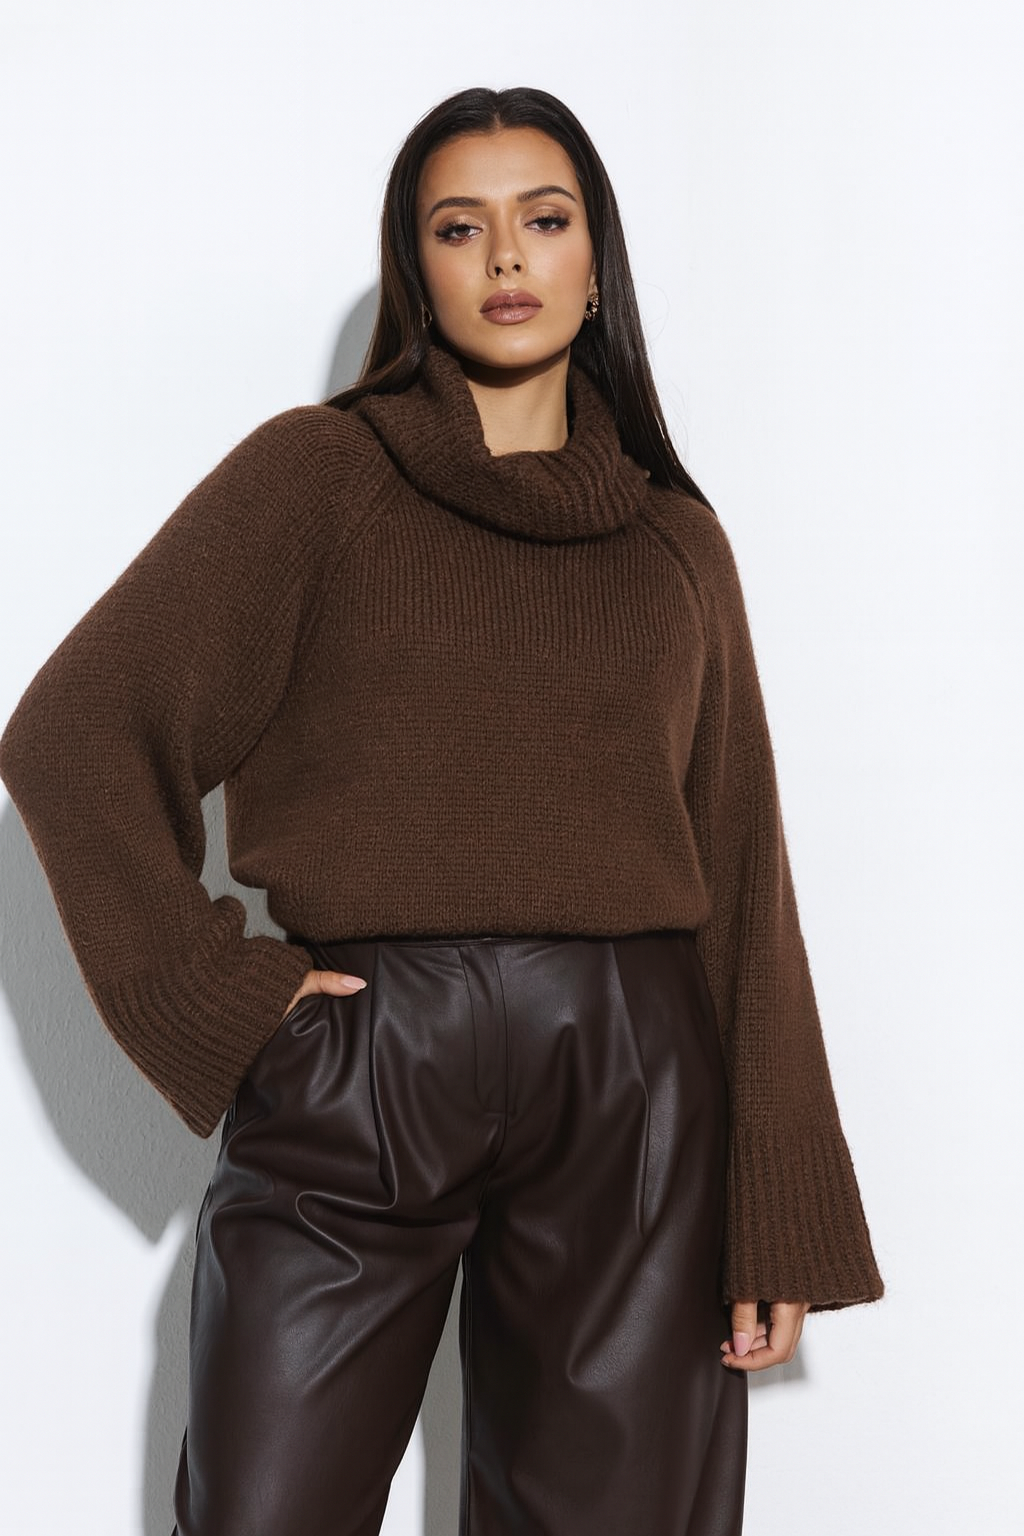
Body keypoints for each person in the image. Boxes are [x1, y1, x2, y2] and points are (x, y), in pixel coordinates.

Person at [0, 85, 883, 1536]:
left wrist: (775, 1208)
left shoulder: (675, 540)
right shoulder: (316, 479)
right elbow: (73, 733)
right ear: (416, 269)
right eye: (459, 228)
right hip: (364, 1066)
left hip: (634, 1083)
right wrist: (230, 1001)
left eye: (545, 219)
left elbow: (742, 869)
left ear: (597, 261)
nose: (507, 257)